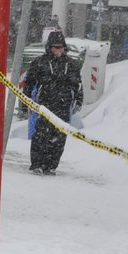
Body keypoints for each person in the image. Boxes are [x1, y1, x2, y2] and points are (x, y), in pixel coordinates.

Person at [20, 30, 83, 175]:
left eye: (61, 47)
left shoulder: (71, 64)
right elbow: (28, 84)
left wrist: (78, 100)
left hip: (63, 107)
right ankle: (37, 164)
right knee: (41, 135)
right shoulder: (39, 63)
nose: (58, 50)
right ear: (49, 47)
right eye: (55, 47)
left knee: (59, 137)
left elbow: (78, 85)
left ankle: (51, 166)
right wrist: (26, 103)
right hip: (44, 106)